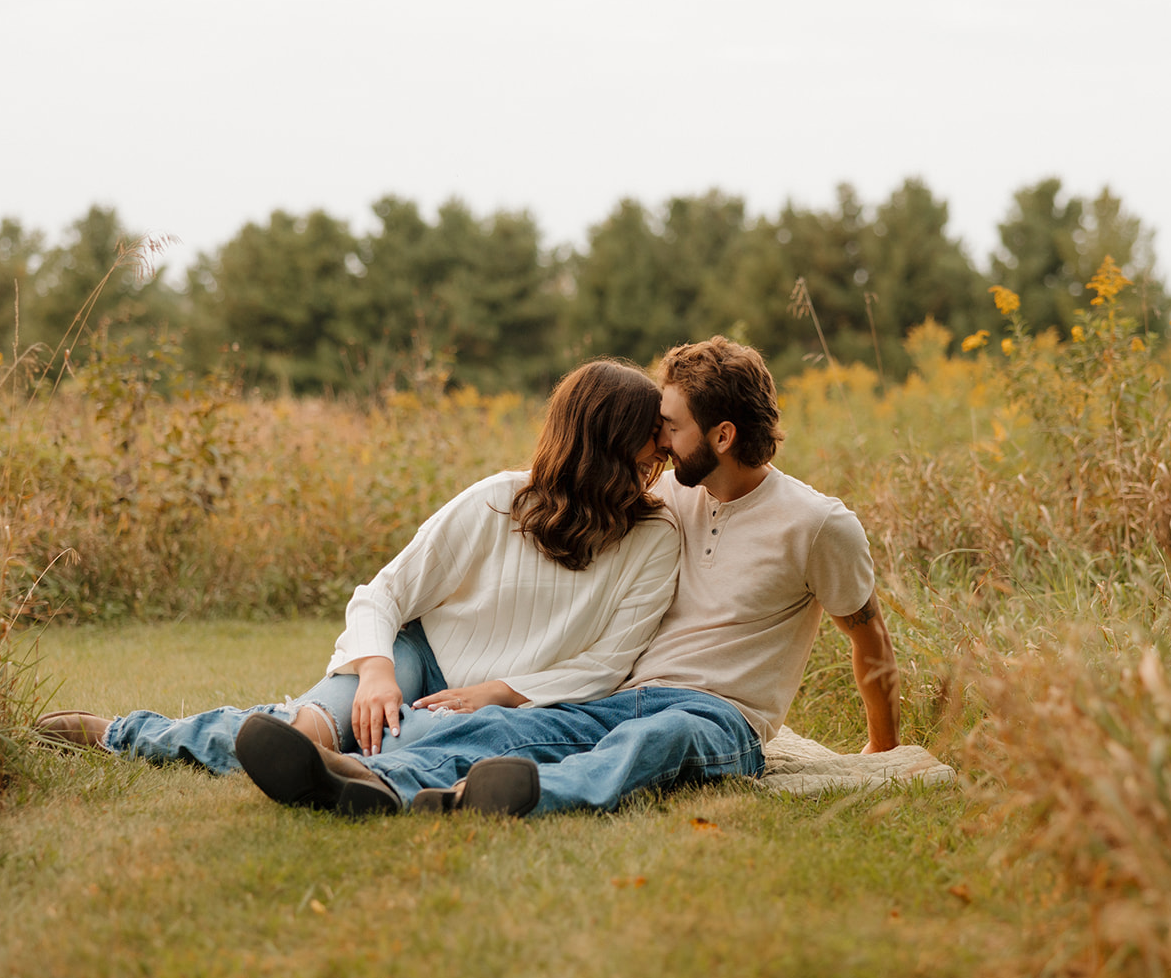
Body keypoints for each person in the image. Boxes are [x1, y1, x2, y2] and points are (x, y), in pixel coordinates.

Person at [233, 336, 904, 817]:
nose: (657, 445)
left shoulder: (817, 523)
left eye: (669, 428)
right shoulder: (672, 497)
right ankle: (366, 777)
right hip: (627, 693)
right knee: (505, 727)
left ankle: (520, 794)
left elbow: (866, 633)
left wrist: (882, 748)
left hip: (719, 715)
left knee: (656, 740)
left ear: (722, 435)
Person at [35, 359, 681, 775]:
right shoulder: (498, 499)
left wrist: (496, 691)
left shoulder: (654, 537)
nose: (664, 448)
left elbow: (604, 665)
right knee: (323, 723)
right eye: (652, 433)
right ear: (607, 438)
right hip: (417, 652)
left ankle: (132, 734)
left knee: (366, 740)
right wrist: (375, 670)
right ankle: (267, 737)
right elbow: (385, 594)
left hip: (504, 700)